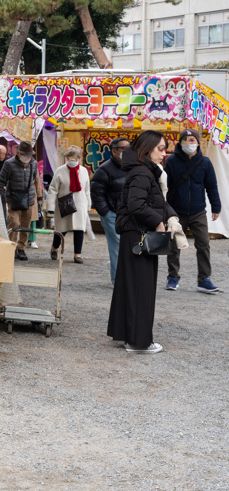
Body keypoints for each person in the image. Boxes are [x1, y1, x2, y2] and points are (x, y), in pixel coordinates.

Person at [108, 130, 177, 353]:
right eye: (160, 148)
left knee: (131, 285)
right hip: (139, 235)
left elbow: (156, 200)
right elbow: (136, 204)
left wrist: (171, 216)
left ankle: (126, 335)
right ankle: (138, 342)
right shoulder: (142, 172)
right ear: (147, 149)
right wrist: (158, 221)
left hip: (135, 234)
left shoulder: (143, 171)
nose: (163, 153)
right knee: (141, 288)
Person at [163, 129, 222, 293]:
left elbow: (212, 186)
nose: (189, 143)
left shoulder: (205, 162)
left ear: (197, 142)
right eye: (185, 140)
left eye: (192, 140)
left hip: (198, 211)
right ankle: (172, 276)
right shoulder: (171, 161)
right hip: (176, 211)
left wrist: (216, 207)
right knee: (174, 244)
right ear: (180, 142)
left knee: (203, 244)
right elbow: (164, 186)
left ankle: (204, 279)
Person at [91, 138, 130, 283]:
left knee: (128, 246)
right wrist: (105, 212)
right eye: (123, 149)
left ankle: (126, 278)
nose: (127, 151)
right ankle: (118, 281)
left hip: (129, 214)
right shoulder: (104, 169)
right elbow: (96, 192)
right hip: (112, 213)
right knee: (117, 247)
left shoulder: (132, 166)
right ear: (114, 151)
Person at [0, 141, 43, 261]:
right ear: (18, 152)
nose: (27, 157)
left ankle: (21, 248)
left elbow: (36, 180)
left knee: (25, 225)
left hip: (29, 199)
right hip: (13, 198)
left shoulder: (33, 163)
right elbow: (1, 181)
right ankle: (11, 247)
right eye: (25, 154)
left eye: (29, 155)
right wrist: (3, 196)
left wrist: (39, 197)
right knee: (14, 223)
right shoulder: (9, 164)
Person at [46, 146, 92, 264]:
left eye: (75, 157)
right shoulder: (60, 170)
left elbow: (87, 190)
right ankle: (54, 247)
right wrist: (50, 207)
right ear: (66, 158)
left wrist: (88, 205)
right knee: (61, 230)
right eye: (70, 157)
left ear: (79, 158)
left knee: (79, 229)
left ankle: (77, 254)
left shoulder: (83, 171)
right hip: (64, 204)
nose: (72, 160)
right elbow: (53, 189)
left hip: (80, 203)